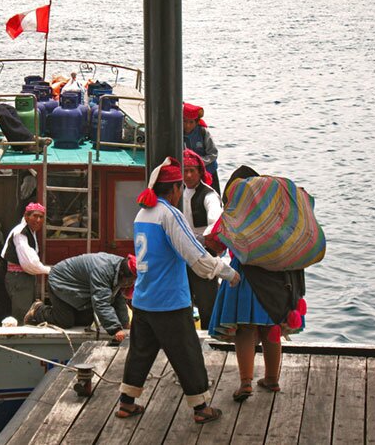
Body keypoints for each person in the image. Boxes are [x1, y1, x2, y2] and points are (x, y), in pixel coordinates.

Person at [117, 157, 239, 424]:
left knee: (140, 351)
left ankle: (127, 402)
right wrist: (228, 273)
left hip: (144, 297)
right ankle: (201, 408)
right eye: (179, 188)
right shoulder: (170, 215)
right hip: (169, 299)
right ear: (173, 189)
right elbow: (195, 256)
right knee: (187, 352)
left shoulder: (142, 214)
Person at [207, 165, 306, 402]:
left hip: (245, 281)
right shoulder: (275, 213)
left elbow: (217, 242)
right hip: (277, 281)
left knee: (245, 330)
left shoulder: (236, 215)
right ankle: (271, 379)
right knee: (271, 327)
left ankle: (246, 382)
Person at [23, 253, 137, 342]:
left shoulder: (120, 268)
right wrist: (116, 329)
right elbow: (101, 303)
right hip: (60, 281)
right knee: (65, 321)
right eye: (130, 282)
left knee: (86, 320)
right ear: (124, 275)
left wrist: (125, 324)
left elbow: (118, 297)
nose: (131, 284)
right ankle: (38, 311)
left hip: (80, 288)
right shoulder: (103, 270)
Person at [182, 149, 223, 330]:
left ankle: (212, 338)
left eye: (192, 170)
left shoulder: (209, 195)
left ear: (200, 172)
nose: (188, 175)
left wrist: (199, 239)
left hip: (204, 253)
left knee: (207, 304)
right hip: (182, 254)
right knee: (183, 301)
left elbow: (215, 223)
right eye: (185, 170)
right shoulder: (178, 191)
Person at [1, 202, 50, 323]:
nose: (38, 220)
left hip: (24, 278)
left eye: (41, 217)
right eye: (35, 216)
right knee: (22, 315)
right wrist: (48, 270)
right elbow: (29, 263)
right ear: (26, 216)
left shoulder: (29, 231)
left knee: (27, 312)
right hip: (19, 278)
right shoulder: (20, 233)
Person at [183, 103, 220, 194]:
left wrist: (199, 163)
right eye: (185, 121)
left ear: (196, 122)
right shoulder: (178, 133)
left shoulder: (203, 133)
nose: (187, 125)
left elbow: (213, 154)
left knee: (212, 196)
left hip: (208, 172)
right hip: (189, 174)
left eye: (191, 122)